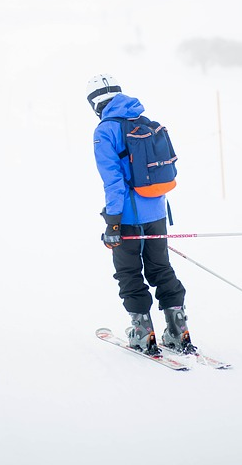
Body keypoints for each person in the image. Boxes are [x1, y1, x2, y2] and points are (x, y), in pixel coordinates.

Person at [87, 73, 195, 355]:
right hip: (157, 211)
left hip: (127, 217)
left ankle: (142, 333)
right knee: (160, 268)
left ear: (95, 103)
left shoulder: (104, 131)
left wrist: (113, 223)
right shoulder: (144, 122)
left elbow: (113, 182)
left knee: (129, 272)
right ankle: (178, 330)